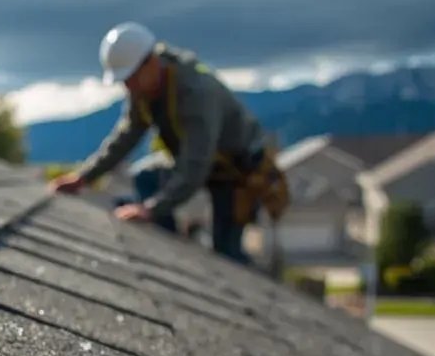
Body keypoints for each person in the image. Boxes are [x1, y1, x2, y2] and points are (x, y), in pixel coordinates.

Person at [49, 22, 287, 264]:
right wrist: (84, 177)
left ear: (150, 62)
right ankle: (168, 257)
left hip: (237, 173)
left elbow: (195, 164)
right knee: (145, 177)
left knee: (226, 252)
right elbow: (125, 137)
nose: (128, 87)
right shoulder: (143, 91)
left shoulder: (196, 92)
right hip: (203, 163)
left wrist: (151, 208)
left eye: (131, 79)